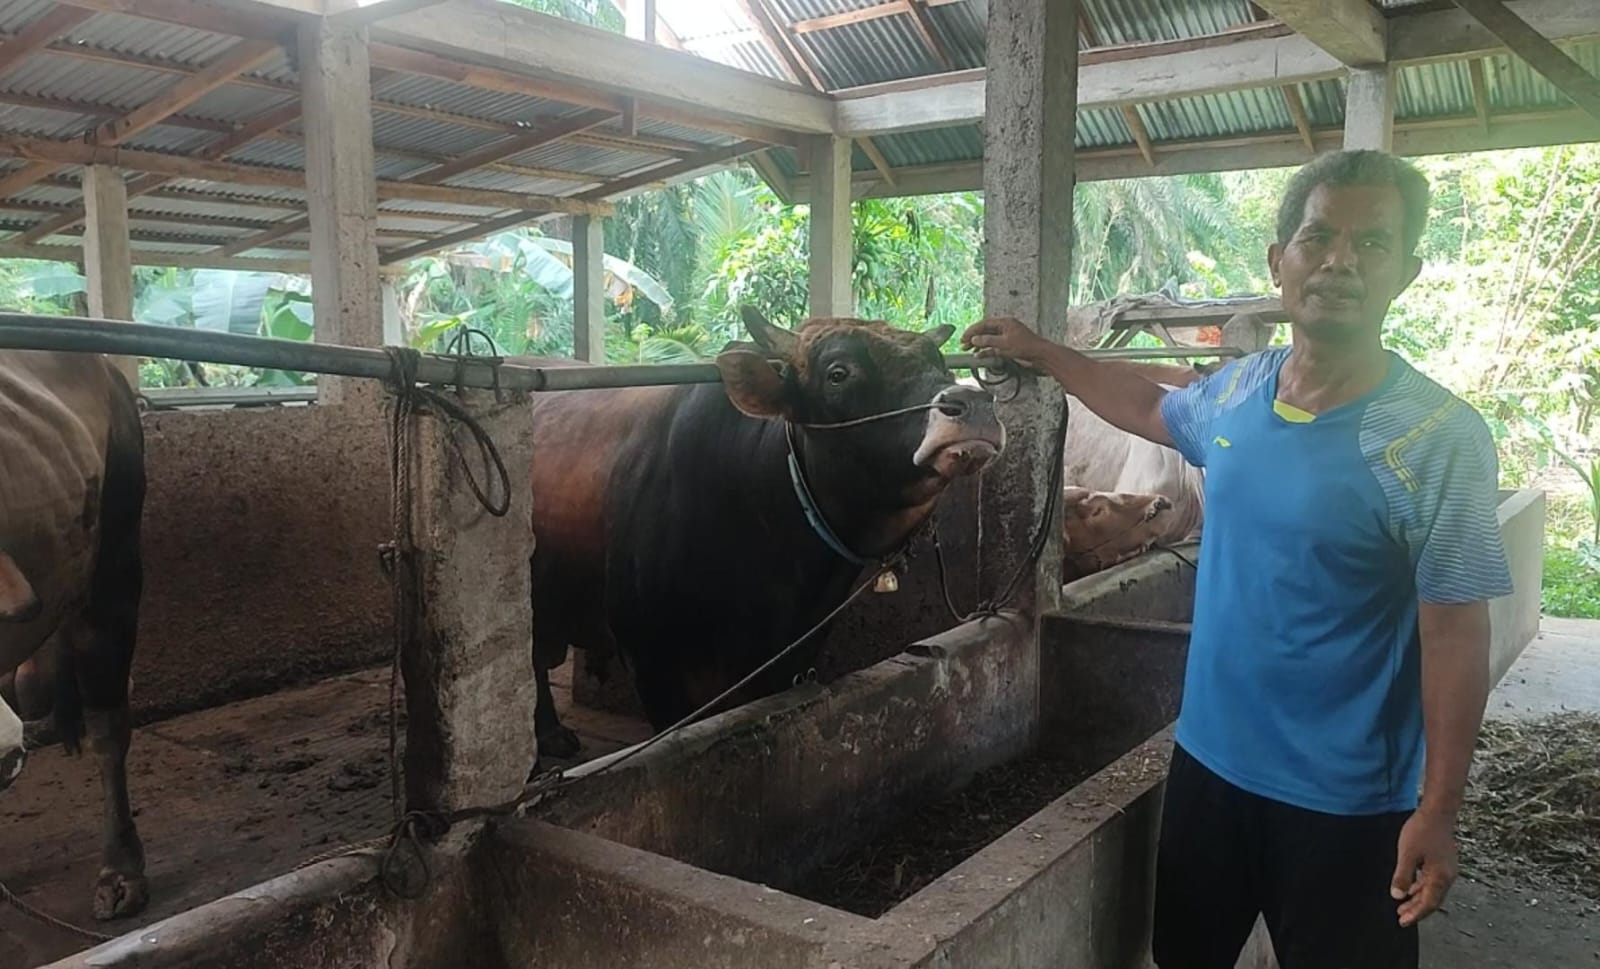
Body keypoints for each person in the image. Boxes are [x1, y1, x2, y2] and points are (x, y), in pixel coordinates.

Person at [961, 149, 1512, 969]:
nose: (1339, 262)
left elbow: (1458, 633)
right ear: (1278, 259)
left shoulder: (1439, 439)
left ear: (1407, 271)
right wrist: (1045, 352)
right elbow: (1148, 401)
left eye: (1372, 246)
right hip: (1211, 769)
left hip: (1351, 805)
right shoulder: (1237, 392)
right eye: (1318, 236)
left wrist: (1439, 807)